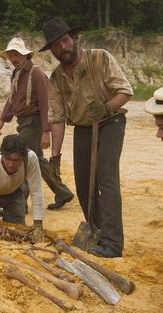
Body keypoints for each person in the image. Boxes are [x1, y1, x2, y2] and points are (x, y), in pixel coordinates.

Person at [40, 17, 133, 257]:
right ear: (51, 50)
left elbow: (125, 90)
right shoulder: (56, 78)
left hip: (110, 122)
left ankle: (113, 243)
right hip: (82, 128)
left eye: (64, 41)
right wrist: (55, 156)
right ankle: (97, 230)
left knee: (106, 178)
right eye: (56, 45)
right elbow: (58, 118)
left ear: (74, 38)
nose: (62, 48)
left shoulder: (100, 58)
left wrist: (106, 108)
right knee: (83, 185)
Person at [0, 37, 74, 210]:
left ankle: (20, 203)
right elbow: (11, 100)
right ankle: (62, 192)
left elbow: (47, 104)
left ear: (24, 55)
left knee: (23, 159)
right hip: (24, 122)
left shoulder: (36, 73)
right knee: (35, 159)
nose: (13, 58)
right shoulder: (16, 74)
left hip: (34, 122)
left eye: (16, 54)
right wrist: (2, 118)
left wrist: (46, 131)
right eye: (10, 55)